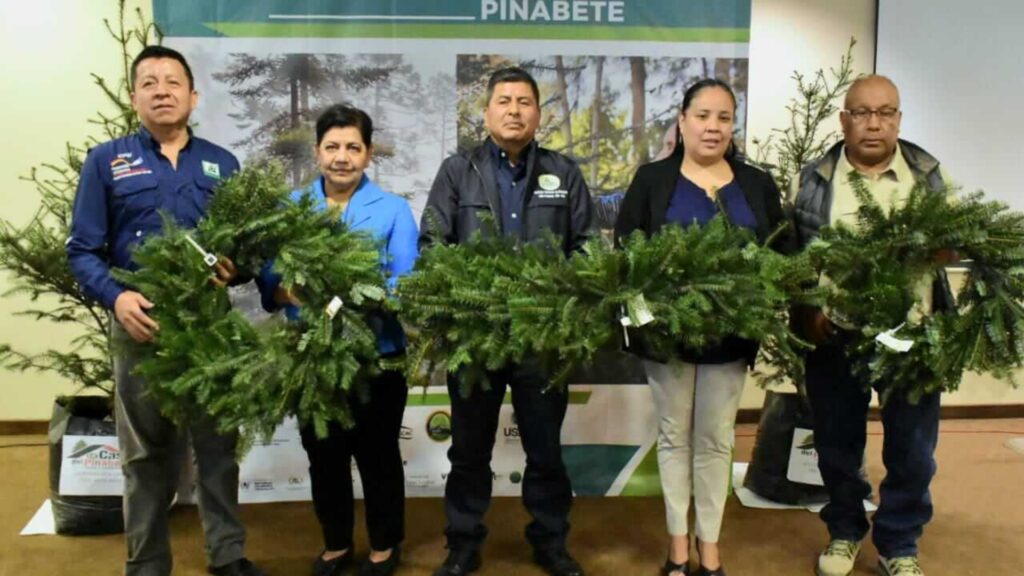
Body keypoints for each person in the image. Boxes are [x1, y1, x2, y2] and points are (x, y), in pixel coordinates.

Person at [66, 45, 265, 576]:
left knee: (219, 449)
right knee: (146, 455)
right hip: (141, 326)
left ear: (193, 96)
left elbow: (243, 250)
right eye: (149, 82)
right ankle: (148, 563)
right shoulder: (105, 161)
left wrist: (236, 268)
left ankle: (228, 556)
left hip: (210, 331)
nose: (162, 90)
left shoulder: (222, 163)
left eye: (173, 81)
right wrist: (117, 297)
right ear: (134, 97)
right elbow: (82, 250)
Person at [419, 66, 591, 576]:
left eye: (524, 102)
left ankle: (550, 540)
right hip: (477, 337)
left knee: (545, 449)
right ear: (486, 111)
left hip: (543, 337)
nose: (514, 110)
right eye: (503, 101)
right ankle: (464, 543)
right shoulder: (458, 170)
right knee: (469, 449)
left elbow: (585, 247)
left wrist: (563, 293)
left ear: (539, 113)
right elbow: (432, 244)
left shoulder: (564, 172)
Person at [614, 78, 790, 576]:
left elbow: (779, 256)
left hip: (731, 340)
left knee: (715, 440)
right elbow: (627, 259)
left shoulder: (756, 184)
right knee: (674, 438)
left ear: (733, 125)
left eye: (725, 118)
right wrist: (648, 318)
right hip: (666, 339)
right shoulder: (652, 180)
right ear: (683, 120)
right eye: (704, 116)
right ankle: (676, 547)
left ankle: (709, 546)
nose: (713, 127)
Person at [792, 75, 954, 576]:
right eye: (861, 113)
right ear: (844, 119)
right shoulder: (816, 178)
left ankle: (899, 543)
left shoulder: (926, 174)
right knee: (838, 445)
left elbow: (951, 244)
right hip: (836, 335)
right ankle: (844, 532)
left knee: (913, 450)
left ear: (899, 119)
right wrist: (805, 312)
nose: (874, 123)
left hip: (912, 334)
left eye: (885, 112)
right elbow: (794, 257)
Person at [256, 104, 418, 576]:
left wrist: (351, 297)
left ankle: (386, 545)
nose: (341, 157)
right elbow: (272, 281)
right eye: (332, 147)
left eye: (353, 147)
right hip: (311, 358)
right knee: (323, 456)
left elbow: (404, 283)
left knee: (378, 456)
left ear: (368, 155)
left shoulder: (392, 210)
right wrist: (294, 292)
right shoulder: (292, 208)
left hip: (377, 358)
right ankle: (336, 543)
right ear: (317, 152)